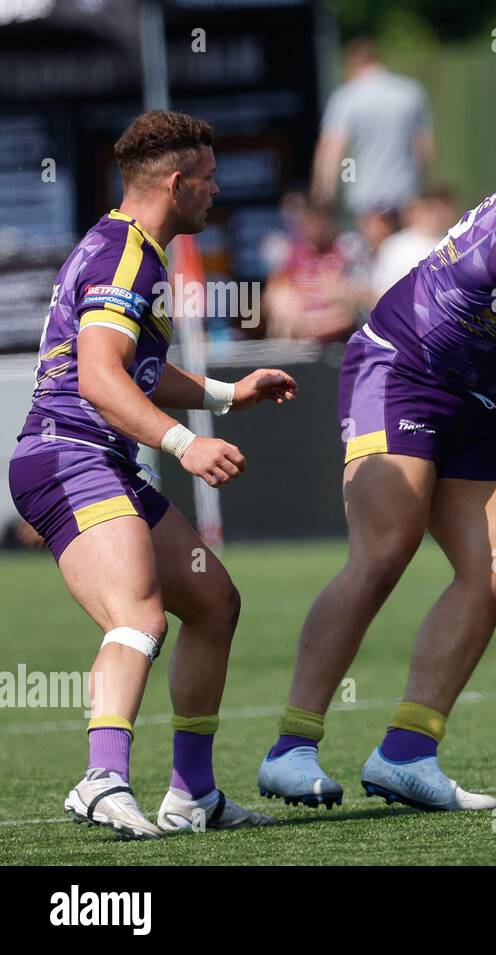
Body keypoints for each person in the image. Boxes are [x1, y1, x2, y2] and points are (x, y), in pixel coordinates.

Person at [256, 88, 496, 812]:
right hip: (399, 368)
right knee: (384, 550)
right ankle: (292, 746)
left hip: (472, 394)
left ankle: (407, 752)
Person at [7, 110, 299, 839]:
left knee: (211, 601)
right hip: (66, 453)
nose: (217, 189)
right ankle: (101, 779)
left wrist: (227, 394)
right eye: (208, 177)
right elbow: (102, 381)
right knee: (136, 615)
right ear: (177, 182)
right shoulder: (123, 257)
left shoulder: (131, 246)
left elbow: (135, 368)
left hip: (93, 456)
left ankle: (192, 794)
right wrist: (183, 444)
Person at [311, 38, 434, 247]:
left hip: (366, 202)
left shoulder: (346, 98)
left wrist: (324, 195)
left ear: (352, 64)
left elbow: (332, 151)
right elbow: (423, 147)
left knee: (374, 266)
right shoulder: (410, 93)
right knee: (404, 261)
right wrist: (422, 187)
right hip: (405, 196)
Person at [262, 199, 372, 343]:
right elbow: (270, 300)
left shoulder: (346, 251)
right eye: (308, 222)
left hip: (338, 325)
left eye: (317, 221)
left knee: (343, 293)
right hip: (301, 325)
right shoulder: (291, 254)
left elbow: (358, 300)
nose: (312, 227)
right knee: (281, 299)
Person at [371, 187, 459, 297]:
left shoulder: (457, 244)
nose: (435, 216)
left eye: (441, 209)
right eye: (429, 208)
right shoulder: (395, 247)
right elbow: (381, 292)